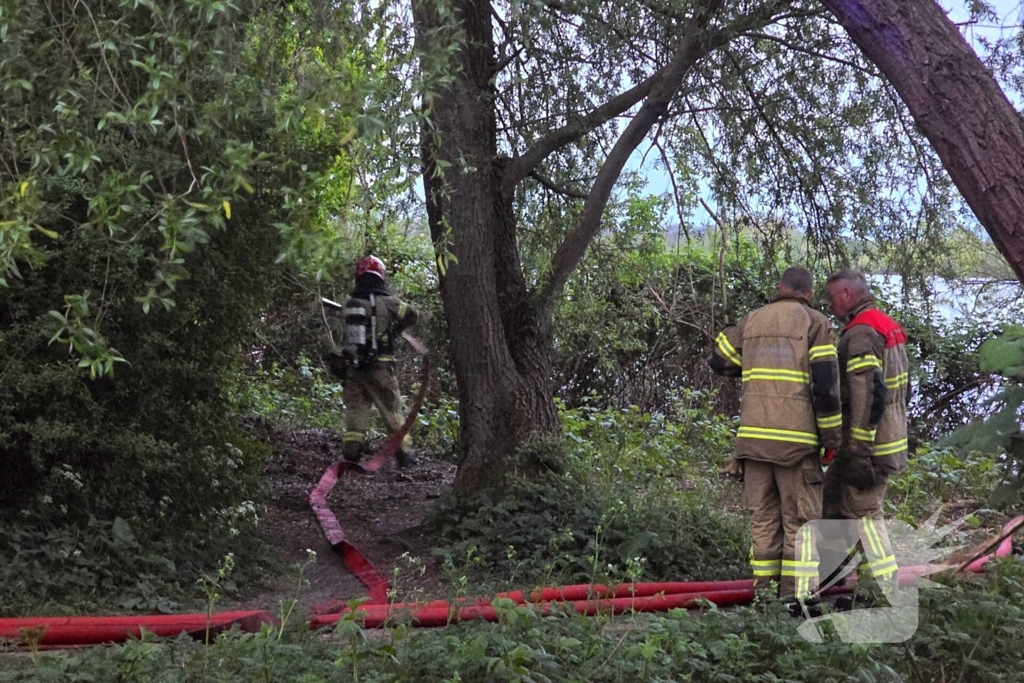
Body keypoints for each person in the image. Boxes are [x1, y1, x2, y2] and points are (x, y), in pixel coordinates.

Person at [709, 266, 842, 600]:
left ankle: (765, 597)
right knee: (799, 521)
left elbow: (719, 360)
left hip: (753, 442)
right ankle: (797, 599)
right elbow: (826, 388)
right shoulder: (815, 323)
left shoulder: (752, 319)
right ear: (809, 294)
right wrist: (831, 440)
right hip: (796, 445)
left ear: (779, 287)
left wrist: (750, 357)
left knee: (764, 520)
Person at [820, 269, 909, 594]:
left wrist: (859, 450)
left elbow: (867, 394)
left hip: (869, 446)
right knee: (832, 502)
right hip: (886, 437)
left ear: (846, 294)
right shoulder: (887, 326)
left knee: (865, 514)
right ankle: (832, 578)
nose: (830, 304)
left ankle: (885, 588)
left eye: (832, 297)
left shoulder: (860, 334)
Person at [328, 255, 419, 467]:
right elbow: (413, 314)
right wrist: (396, 328)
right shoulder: (389, 303)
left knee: (356, 410)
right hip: (380, 367)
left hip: (354, 369)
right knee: (392, 411)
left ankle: (351, 452)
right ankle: (405, 454)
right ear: (381, 276)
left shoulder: (352, 304)